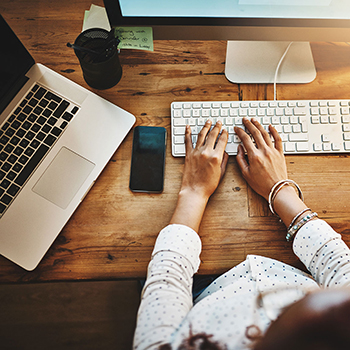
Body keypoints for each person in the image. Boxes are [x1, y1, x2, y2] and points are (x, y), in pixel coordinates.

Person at [133, 117, 350, 350]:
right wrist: (279, 189)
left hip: (205, 289)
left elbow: (167, 276)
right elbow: (337, 264)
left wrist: (194, 192)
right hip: (296, 269)